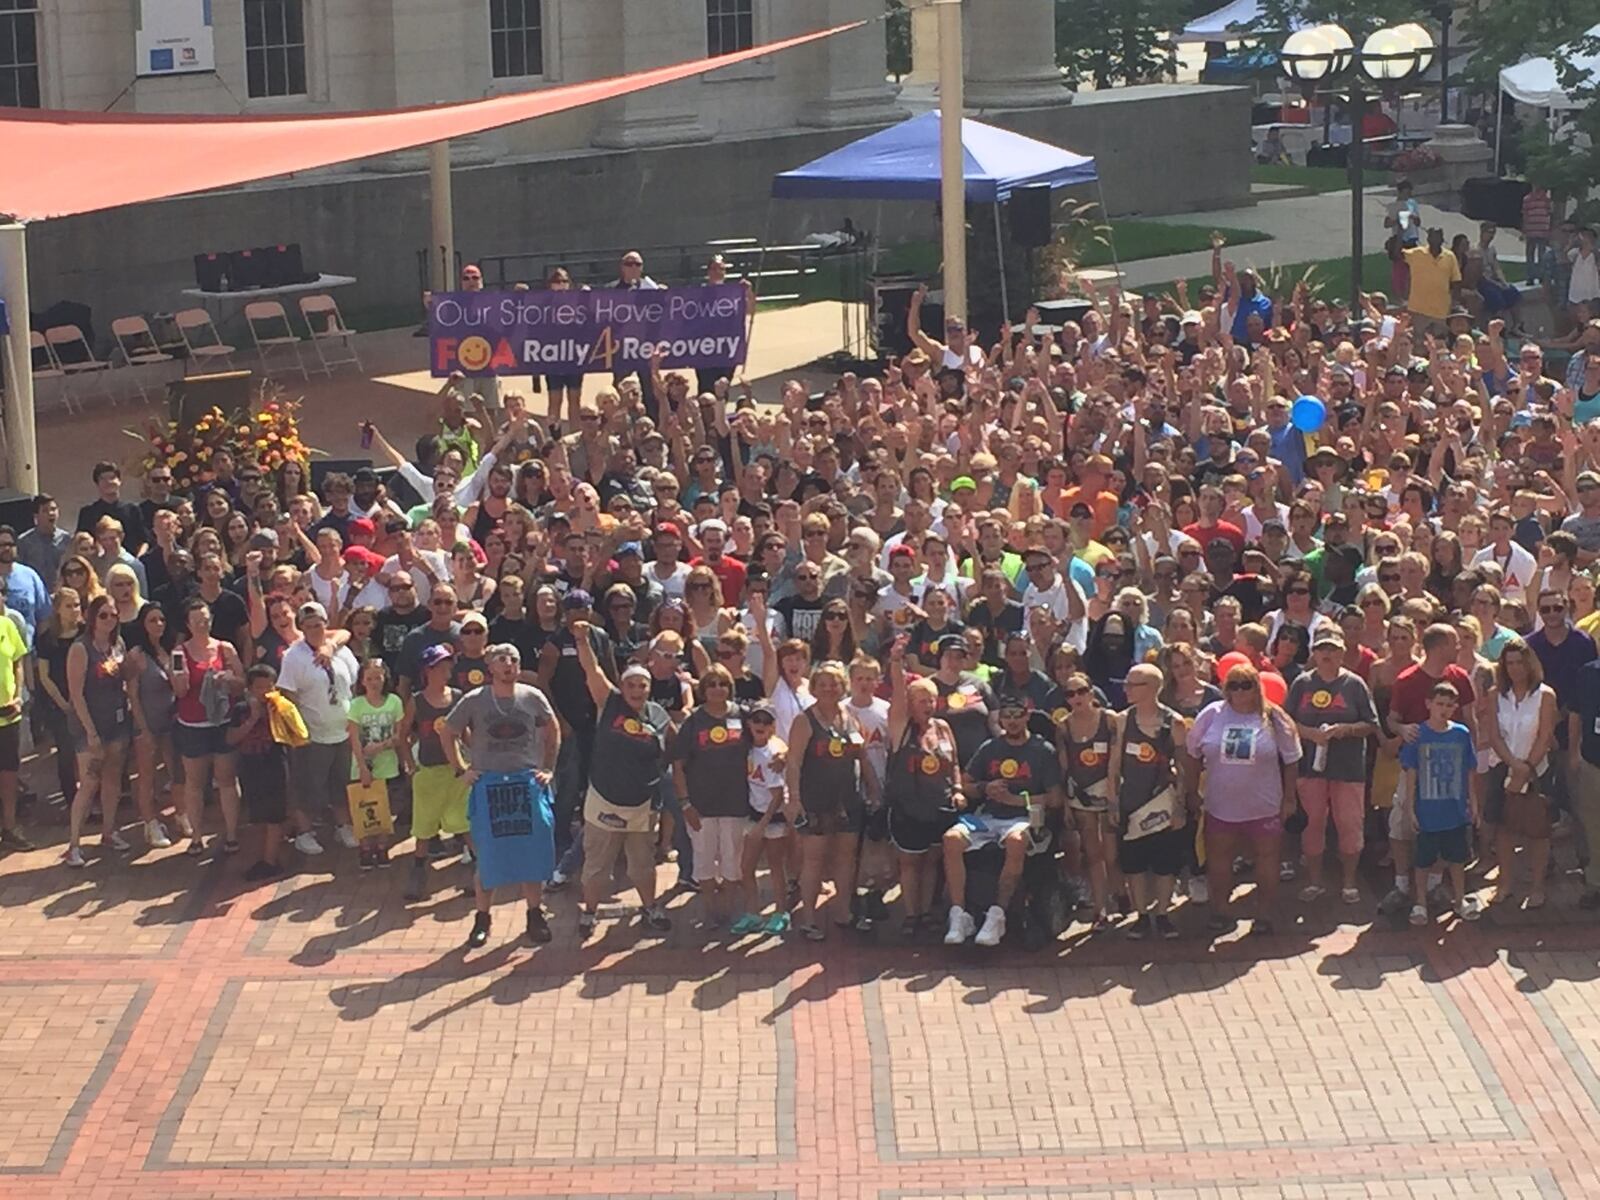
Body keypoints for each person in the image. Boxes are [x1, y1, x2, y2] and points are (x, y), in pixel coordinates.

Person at [442, 641, 560, 947]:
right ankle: (482, 918)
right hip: (490, 782)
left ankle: (535, 914)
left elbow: (552, 729)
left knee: (531, 851)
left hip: (526, 781)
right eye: (502, 659)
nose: (509, 664)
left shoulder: (532, 696)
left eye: (515, 659)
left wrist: (548, 768)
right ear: (490, 667)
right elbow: (448, 731)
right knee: (489, 855)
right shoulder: (474, 700)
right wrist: (461, 769)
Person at [572, 620, 672, 935]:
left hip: (641, 804)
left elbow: (668, 752)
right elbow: (592, 670)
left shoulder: (658, 715)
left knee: (642, 866)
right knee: (597, 868)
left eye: (642, 686)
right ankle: (588, 913)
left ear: (649, 688)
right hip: (603, 799)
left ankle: (650, 908)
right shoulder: (609, 702)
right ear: (623, 687)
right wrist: (582, 640)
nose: (636, 691)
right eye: (631, 685)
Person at [1188, 662, 1302, 937]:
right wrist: (1191, 792)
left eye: (1246, 684)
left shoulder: (1274, 718)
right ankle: (1221, 912)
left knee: (1267, 859)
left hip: (1264, 806)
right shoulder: (1211, 714)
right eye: (1233, 685)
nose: (1239, 691)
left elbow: (1292, 759)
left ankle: (1263, 914)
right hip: (1220, 807)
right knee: (1219, 861)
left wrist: (1289, 799)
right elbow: (1192, 753)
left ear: (1257, 687)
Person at [944, 694, 1061, 948]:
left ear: (1027, 716)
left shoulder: (1042, 750)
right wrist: (985, 787)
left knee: (1016, 841)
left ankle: (997, 914)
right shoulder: (991, 747)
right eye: (1006, 716)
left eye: (1017, 715)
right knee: (951, 839)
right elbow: (966, 783)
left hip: (1022, 818)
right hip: (987, 817)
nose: (1012, 721)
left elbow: (1054, 799)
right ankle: (959, 914)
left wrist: (1014, 800)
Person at [1285, 629, 1378, 905]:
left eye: (1333, 650)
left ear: (1341, 653)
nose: (1327, 655)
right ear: (1314, 653)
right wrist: (1310, 734)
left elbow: (1371, 724)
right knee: (1312, 824)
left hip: (1348, 768)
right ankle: (1315, 882)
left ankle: (1349, 882)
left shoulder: (1355, 684)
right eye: (1322, 650)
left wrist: (1345, 730)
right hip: (1309, 769)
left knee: (1349, 823)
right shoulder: (1301, 684)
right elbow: (1286, 724)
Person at [884, 637, 960, 936]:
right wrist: (896, 662)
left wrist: (957, 788)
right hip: (907, 808)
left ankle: (927, 912)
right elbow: (899, 698)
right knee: (910, 862)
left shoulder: (942, 727)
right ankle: (911, 914)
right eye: (921, 701)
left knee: (931, 861)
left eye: (931, 700)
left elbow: (954, 763)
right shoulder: (901, 728)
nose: (927, 705)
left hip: (938, 806)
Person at [1110, 662, 1191, 939]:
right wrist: (1112, 800)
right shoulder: (1123, 720)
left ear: (1152, 688)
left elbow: (1183, 767)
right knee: (1134, 863)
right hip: (1132, 803)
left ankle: (1163, 914)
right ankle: (1142, 915)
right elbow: (1114, 763)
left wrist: (1180, 805)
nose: (1126, 689)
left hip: (1163, 803)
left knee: (1164, 863)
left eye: (1133, 684)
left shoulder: (1175, 722)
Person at [276, 602, 360, 855]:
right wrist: (297, 732)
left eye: (318, 624)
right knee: (307, 786)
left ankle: (342, 825)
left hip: (343, 731)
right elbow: (287, 695)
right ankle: (304, 831)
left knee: (341, 782)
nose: (314, 629)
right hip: (312, 734)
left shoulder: (341, 650)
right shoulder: (294, 656)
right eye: (308, 626)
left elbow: (353, 685)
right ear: (302, 627)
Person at [672, 664, 751, 931]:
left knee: (732, 858)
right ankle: (709, 908)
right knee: (703, 858)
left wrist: (781, 755)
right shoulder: (693, 721)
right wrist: (685, 803)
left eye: (723, 684)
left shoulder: (743, 716)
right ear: (703, 689)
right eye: (712, 684)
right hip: (701, 805)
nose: (718, 689)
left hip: (736, 802)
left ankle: (727, 908)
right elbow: (678, 765)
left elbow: (765, 745)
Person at [1479, 638, 1557, 911]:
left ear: (1530, 663)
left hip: (1536, 770)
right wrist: (1513, 765)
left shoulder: (1545, 695)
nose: (1515, 668)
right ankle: (1505, 885)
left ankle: (1536, 887)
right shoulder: (1495, 694)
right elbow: (1494, 735)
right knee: (1504, 829)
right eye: (1509, 663)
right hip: (1503, 766)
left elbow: (1545, 735)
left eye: (1519, 662)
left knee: (1538, 832)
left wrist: (1526, 769)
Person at [1398, 682, 1482, 924]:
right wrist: (1409, 808)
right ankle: (1420, 902)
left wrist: (1473, 803)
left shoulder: (1461, 734)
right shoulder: (1417, 735)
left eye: (1449, 705)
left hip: (1455, 808)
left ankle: (1459, 899)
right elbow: (1410, 773)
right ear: (1428, 704)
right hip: (1427, 809)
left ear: (1455, 707)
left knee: (1457, 859)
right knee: (1423, 860)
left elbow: (1469, 770)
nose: (1444, 710)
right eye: (1439, 704)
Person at [170, 596, 245, 857]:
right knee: (195, 782)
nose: (202, 624)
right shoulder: (180, 652)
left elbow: (242, 683)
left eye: (206, 620)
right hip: (193, 725)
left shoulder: (226, 649)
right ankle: (197, 836)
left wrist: (228, 679)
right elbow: (179, 691)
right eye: (197, 621)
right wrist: (182, 678)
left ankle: (232, 834)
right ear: (188, 624)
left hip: (222, 722)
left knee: (226, 778)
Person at [63, 594, 133, 867]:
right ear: (92, 618)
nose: (109, 620)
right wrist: (90, 732)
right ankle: (74, 844)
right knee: (89, 782)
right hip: (89, 726)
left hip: (116, 722)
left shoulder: (118, 644)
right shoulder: (81, 649)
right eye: (103, 615)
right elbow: (76, 694)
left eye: (113, 615)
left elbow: (123, 678)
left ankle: (108, 831)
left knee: (113, 778)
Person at [399, 645, 471, 901]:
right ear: (428, 670)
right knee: (424, 825)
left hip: (456, 770)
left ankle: (479, 873)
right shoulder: (417, 701)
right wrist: (409, 763)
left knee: (464, 821)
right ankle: (418, 873)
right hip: (428, 770)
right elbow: (403, 734)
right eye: (441, 666)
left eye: (448, 665)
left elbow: (465, 733)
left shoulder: (458, 696)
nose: (447, 670)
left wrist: (472, 760)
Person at [1057, 669, 1120, 929]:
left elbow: (1117, 761)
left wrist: (1114, 795)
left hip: (1108, 791)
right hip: (1081, 796)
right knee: (1093, 853)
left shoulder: (1110, 720)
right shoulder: (1063, 726)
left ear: (1091, 692)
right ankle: (1100, 908)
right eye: (1070, 694)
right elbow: (1063, 768)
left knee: (1112, 852)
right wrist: (1065, 805)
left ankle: (1120, 893)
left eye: (1081, 691)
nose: (1077, 697)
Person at [228, 664, 293, 882]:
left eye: (269, 687)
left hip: (275, 764)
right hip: (251, 767)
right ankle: (259, 858)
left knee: (275, 816)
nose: (265, 692)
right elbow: (231, 738)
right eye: (259, 688)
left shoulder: (282, 708)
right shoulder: (240, 709)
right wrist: (253, 718)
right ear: (250, 688)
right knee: (256, 816)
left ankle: (270, 861)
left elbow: (295, 735)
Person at [733, 700, 793, 936]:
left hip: (772, 817)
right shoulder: (746, 748)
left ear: (773, 726)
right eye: (756, 720)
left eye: (766, 722)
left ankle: (780, 913)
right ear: (749, 723)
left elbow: (777, 796)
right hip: (754, 813)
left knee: (776, 866)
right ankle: (752, 913)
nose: (760, 725)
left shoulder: (772, 754)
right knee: (746, 867)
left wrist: (763, 824)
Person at [125, 602, 177, 849]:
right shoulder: (137, 655)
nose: (158, 625)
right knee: (147, 776)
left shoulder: (171, 650)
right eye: (152, 620)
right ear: (143, 625)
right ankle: (150, 823)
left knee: (177, 772)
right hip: (147, 722)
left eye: (161, 620)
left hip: (171, 721)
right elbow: (132, 695)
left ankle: (182, 813)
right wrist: (142, 728)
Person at [348, 658, 404, 870]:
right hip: (362, 765)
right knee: (362, 806)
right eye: (369, 678)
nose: (374, 682)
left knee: (384, 807)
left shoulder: (394, 702)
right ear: (362, 681)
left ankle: (381, 847)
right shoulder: (356, 705)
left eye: (378, 677)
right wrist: (362, 766)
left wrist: (381, 746)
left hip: (387, 764)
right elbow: (353, 738)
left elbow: (399, 736)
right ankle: (365, 848)